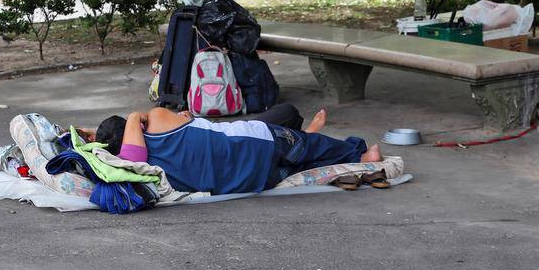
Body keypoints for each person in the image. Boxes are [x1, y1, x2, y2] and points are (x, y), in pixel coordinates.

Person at [79, 104, 383, 195]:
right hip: (256, 141)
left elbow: (133, 157)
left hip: (251, 180)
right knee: (310, 146)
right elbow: (189, 123)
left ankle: (319, 145)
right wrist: (136, 115)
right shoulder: (156, 119)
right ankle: (360, 153)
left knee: (297, 165)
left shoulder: (151, 173)